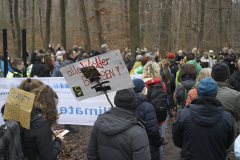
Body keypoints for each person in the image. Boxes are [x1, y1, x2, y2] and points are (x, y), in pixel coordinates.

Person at [172, 77, 234, 160]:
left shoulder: (184, 115)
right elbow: (227, 144)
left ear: (198, 92)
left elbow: (177, 141)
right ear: (215, 92)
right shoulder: (226, 117)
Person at [87, 88, 151, 160]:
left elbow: (91, 154)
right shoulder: (138, 132)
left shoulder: (99, 122)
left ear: (116, 101)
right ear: (134, 103)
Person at [22, 85, 64, 160]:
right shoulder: (42, 122)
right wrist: (58, 140)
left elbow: (33, 138)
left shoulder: (29, 114)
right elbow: (49, 157)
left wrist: (50, 134)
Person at [212, 62, 240, 159]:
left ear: (212, 75)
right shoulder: (235, 96)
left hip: (203, 137)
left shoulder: (199, 91)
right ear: (227, 76)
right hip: (226, 137)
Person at [142, 61, 167, 160]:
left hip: (144, 117)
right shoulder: (161, 83)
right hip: (158, 116)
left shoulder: (142, 83)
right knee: (157, 142)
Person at [133, 79, 162, 160]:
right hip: (148, 145)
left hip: (133, 144)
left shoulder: (127, 104)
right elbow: (153, 130)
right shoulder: (147, 107)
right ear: (141, 89)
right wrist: (158, 141)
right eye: (144, 87)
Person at [59, 50, 78, 133]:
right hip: (70, 88)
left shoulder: (65, 63)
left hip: (66, 88)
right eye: (74, 54)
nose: (76, 55)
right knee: (69, 105)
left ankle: (68, 125)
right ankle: (68, 127)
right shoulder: (71, 64)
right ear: (71, 56)